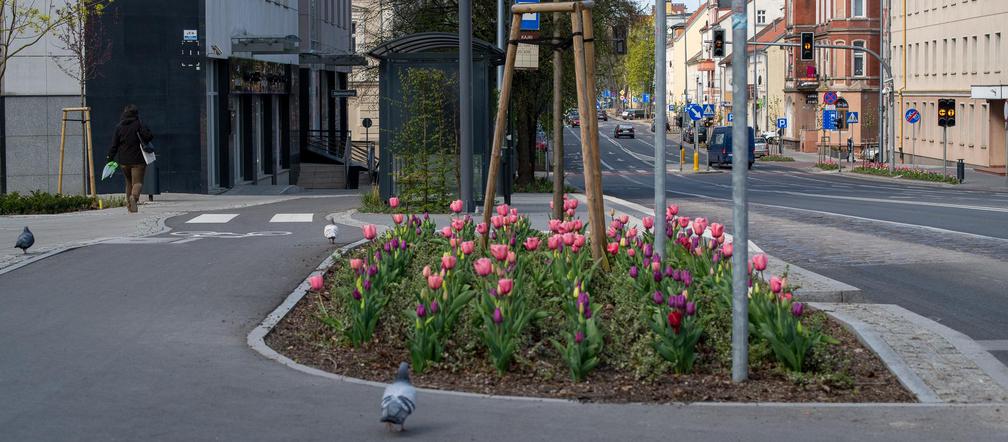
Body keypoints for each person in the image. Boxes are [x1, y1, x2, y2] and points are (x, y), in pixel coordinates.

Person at [106, 104, 154, 213]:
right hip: (138, 160)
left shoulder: (119, 127)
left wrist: (110, 158)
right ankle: (134, 198)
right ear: (136, 113)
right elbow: (149, 137)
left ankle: (129, 206)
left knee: (128, 183)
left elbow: (114, 145)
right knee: (137, 183)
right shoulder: (139, 124)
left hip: (123, 161)